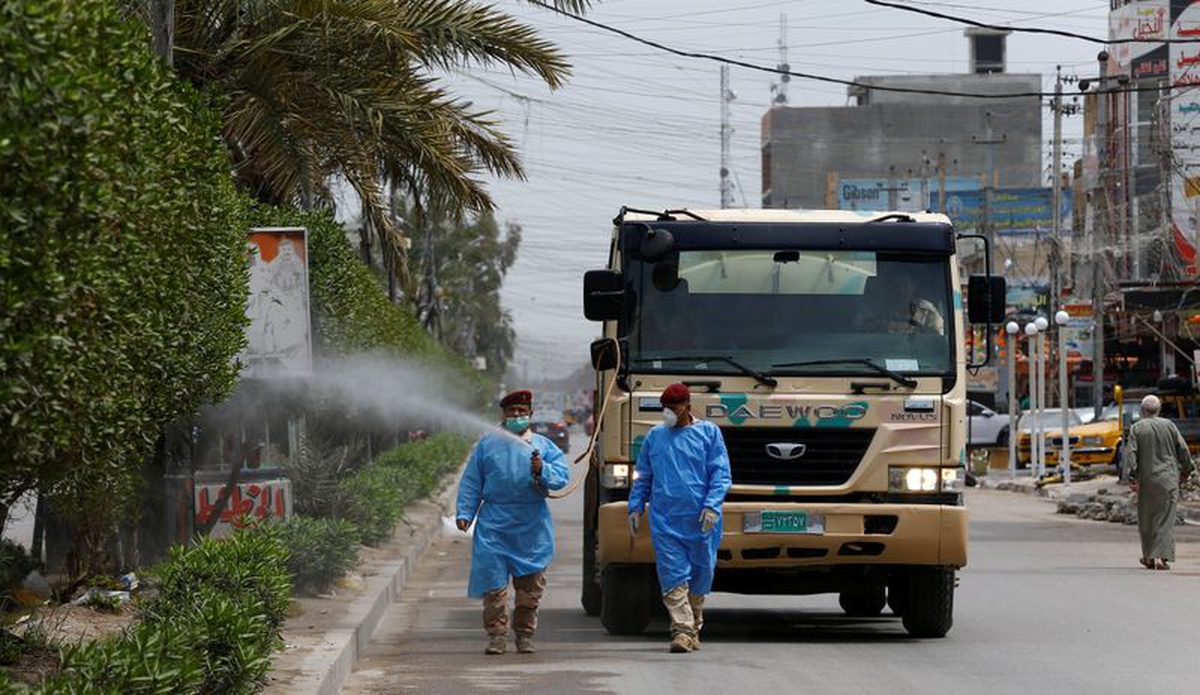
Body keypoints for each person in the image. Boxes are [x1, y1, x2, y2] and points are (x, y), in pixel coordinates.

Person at [456, 389, 570, 654]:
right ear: (503, 415)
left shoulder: (543, 447)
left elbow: (561, 477)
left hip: (532, 525)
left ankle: (525, 634)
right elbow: (472, 482)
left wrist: (543, 470)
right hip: (494, 525)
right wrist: (465, 513)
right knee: (494, 587)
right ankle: (496, 636)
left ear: (529, 414)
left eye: (521, 411)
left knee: (530, 590)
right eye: (511, 412)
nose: (516, 416)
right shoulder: (487, 445)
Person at [627, 383, 732, 653]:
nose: (668, 413)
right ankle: (682, 631)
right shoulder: (655, 437)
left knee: (701, 574)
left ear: (687, 404)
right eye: (665, 408)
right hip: (666, 520)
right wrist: (635, 507)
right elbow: (643, 476)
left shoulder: (709, 433)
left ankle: (694, 624)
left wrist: (712, 506)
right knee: (673, 576)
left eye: (673, 407)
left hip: (701, 521)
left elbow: (720, 474)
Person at [1122, 394, 1195, 570]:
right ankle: (1161, 557)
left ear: (1142, 410)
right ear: (1159, 409)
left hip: (1147, 480)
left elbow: (1131, 453)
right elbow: (1183, 449)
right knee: (1165, 518)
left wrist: (1132, 477)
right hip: (1169, 479)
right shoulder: (1169, 425)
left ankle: (1149, 557)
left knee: (1146, 519)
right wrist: (1187, 470)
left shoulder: (1137, 428)